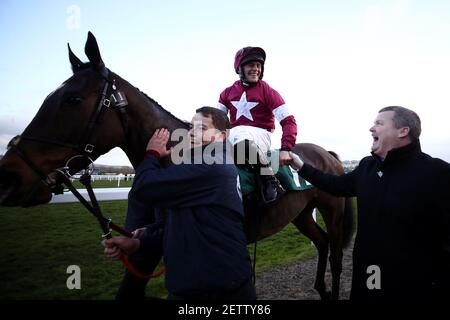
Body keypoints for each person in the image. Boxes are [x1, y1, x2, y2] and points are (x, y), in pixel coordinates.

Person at [287, 106, 450, 301]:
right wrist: (301, 166)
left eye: (379, 123)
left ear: (403, 131)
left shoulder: (438, 174)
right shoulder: (367, 167)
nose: (371, 128)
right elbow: (336, 185)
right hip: (369, 273)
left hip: (414, 283)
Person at [102, 107, 256, 300]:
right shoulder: (209, 162)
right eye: (192, 127)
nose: (192, 132)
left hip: (215, 290)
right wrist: (138, 243)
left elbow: (144, 190)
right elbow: (184, 227)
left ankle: (270, 184)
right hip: (206, 284)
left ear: (222, 137)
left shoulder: (210, 164)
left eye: (202, 128)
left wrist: (152, 154)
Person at [215, 46, 298, 203]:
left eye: (258, 66)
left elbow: (289, 121)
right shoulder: (226, 92)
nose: (256, 69)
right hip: (235, 138)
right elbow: (215, 121)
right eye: (251, 65)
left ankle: (270, 181)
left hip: (260, 136)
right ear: (240, 68)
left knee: (239, 134)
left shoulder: (268, 91)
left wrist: (286, 148)